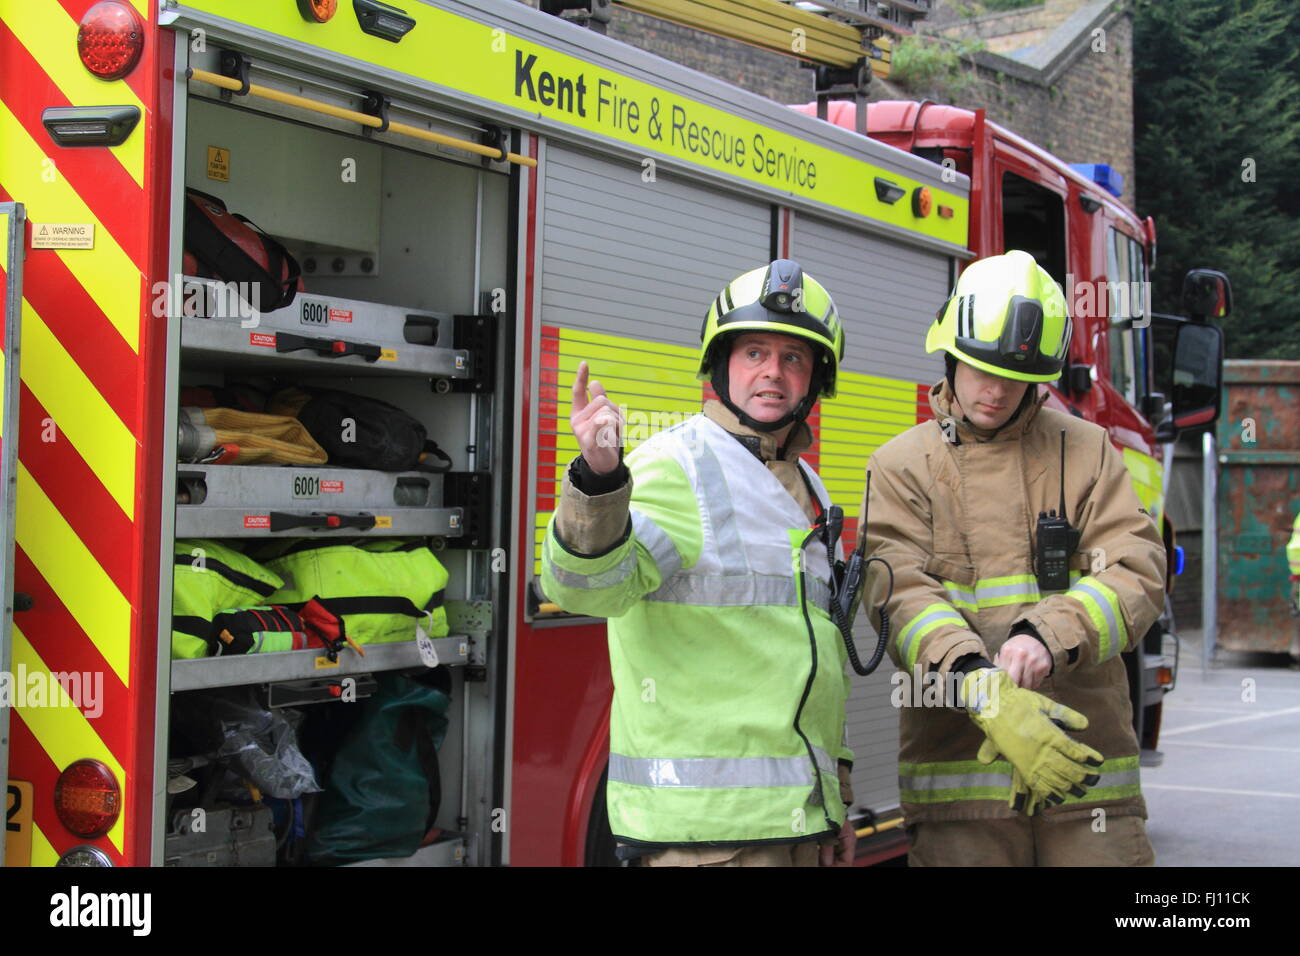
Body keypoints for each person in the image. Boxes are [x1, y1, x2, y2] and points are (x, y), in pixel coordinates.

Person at [541, 259, 857, 866]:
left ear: (816, 377)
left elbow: (821, 658)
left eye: (794, 358)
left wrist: (834, 802)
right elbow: (586, 588)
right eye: (755, 353)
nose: (773, 372)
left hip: (795, 826)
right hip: (708, 839)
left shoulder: (811, 489)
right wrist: (599, 480)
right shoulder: (678, 464)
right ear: (722, 366)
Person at [863, 250, 1166, 866]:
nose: (996, 391)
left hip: (1086, 785)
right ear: (950, 356)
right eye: (980, 369)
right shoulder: (900, 464)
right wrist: (976, 679)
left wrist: (1047, 638)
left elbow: (1136, 569)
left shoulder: (1088, 450)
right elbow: (897, 592)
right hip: (961, 794)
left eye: (1015, 375)